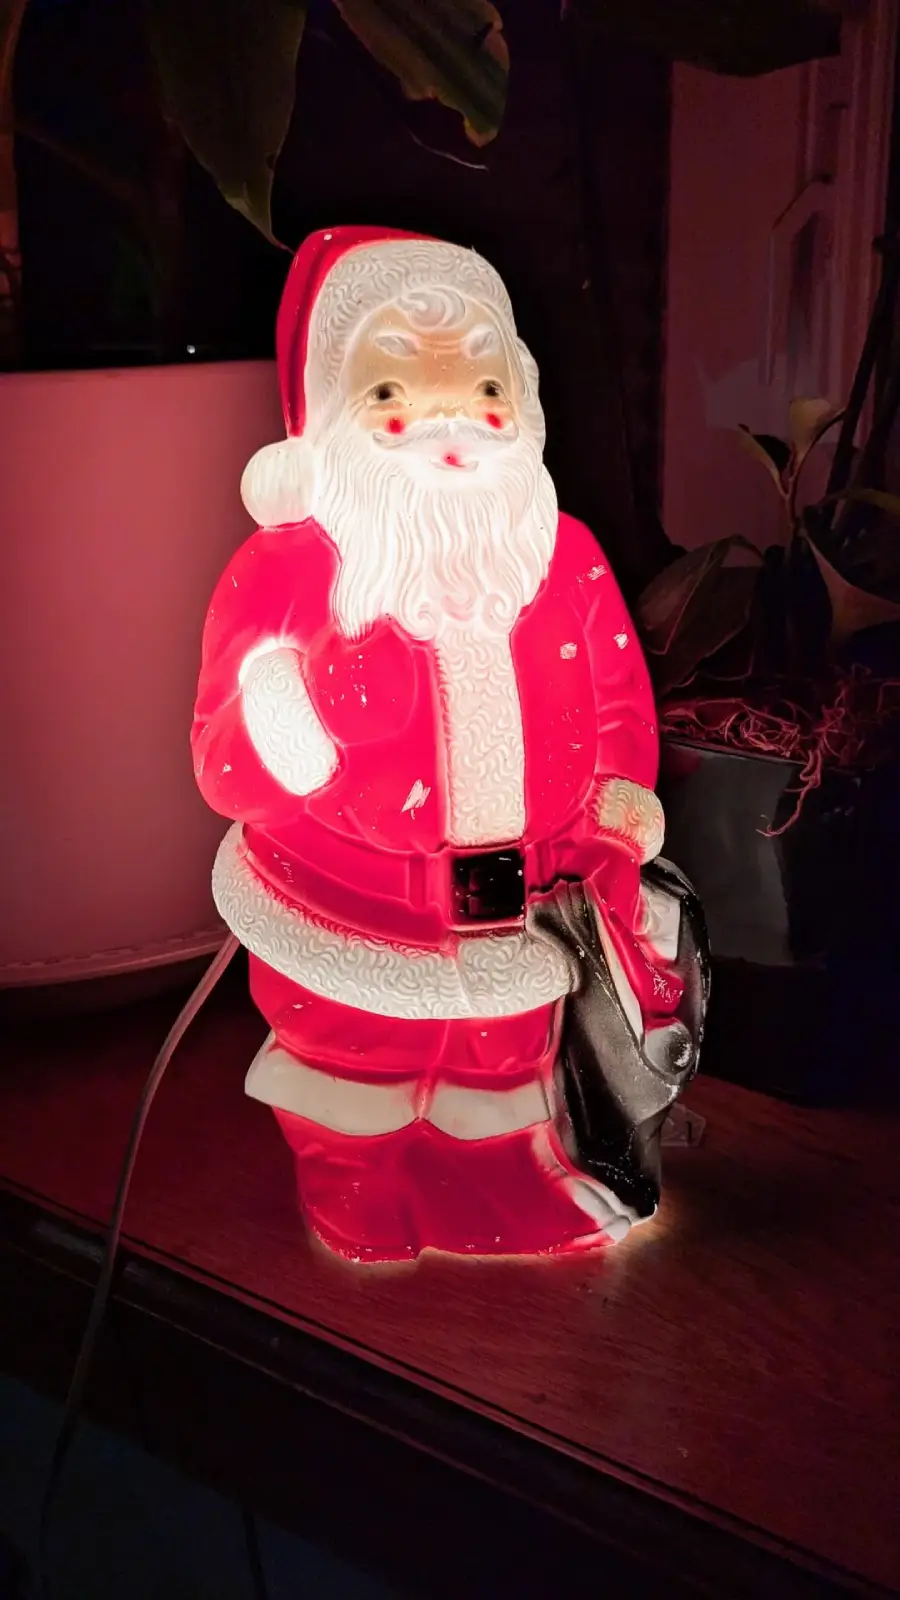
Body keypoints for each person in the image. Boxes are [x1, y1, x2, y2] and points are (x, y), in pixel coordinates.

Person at [192, 225, 686, 1262]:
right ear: (330, 417)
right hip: (350, 900)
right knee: (357, 1049)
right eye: (391, 395)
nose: (451, 421)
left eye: (482, 386)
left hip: (524, 893)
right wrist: (280, 717)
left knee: (504, 1047)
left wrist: (620, 788)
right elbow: (223, 764)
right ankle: (353, 1172)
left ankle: (505, 1162)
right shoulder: (282, 575)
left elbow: (615, 698)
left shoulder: (562, 556)